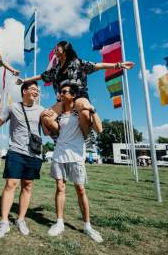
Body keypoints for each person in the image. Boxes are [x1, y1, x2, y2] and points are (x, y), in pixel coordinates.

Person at [17, 41, 134, 138]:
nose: (55, 51)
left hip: (79, 95)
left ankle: (86, 136)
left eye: (58, 49)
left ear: (65, 50)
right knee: (46, 118)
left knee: (84, 110)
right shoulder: (55, 69)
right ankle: (61, 136)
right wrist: (25, 80)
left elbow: (98, 65)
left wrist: (118, 65)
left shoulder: (77, 63)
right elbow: (41, 76)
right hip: (63, 100)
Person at [41, 82, 103, 243]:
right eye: (60, 91)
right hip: (60, 153)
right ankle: (59, 222)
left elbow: (99, 129)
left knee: (80, 189)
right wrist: (44, 117)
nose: (60, 94)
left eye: (64, 91)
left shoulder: (80, 113)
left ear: (73, 95)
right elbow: (47, 131)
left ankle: (87, 226)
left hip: (76, 155)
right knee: (60, 188)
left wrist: (92, 109)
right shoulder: (59, 114)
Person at [0, 81, 44, 238]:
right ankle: (4, 222)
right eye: (33, 89)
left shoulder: (41, 110)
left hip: (34, 154)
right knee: (11, 184)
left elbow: (48, 128)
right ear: (24, 91)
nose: (36, 92)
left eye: (37, 90)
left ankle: (21, 219)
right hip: (16, 151)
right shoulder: (13, 107)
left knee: (27, 185)